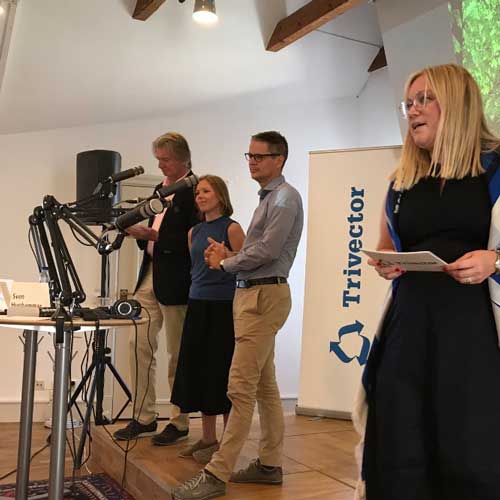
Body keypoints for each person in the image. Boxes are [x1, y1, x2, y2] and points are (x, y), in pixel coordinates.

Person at [353, 64, 500, 500]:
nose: (413, 110)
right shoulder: (402, 180)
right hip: (408, 329)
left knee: (470, 448)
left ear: (457, 103)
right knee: (401, 446)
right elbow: (386, 245)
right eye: (408, 103)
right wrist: (385, 263)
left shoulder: (494, 169)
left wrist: (493, 260)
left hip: (473, 334)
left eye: (424, 99)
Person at [172, 131, 304, 500]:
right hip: (254, 294)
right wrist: (227, 259)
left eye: (259, 156)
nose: (252, 162)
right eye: (250, 156)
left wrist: (226, 262)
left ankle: (216, 474)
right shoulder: (269, 199)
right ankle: (269, 465)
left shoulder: (284, 198)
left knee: (239, 388)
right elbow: (259, 252)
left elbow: (267, 251)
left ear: (279, 159)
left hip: (263, 296)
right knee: (264, 387)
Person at [113, 132, 199, 445]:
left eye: (166, 160)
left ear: (184, 160)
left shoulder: (195, 191)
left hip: (177, 281)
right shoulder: (158, 190)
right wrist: (142, 235)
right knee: (138, 345)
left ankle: (179, 421)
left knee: (177, 354)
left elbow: (196, 239)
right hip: (150, 274)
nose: (160, 165)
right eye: (159, 159)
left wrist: (154, 237)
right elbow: (154, 231)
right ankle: (144, 416)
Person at [171, 175, 245, 464]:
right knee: (200, 370)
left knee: (221, 371)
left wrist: (226, 257)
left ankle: (228, 442)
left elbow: (245, 266)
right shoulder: (194, 231)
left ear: (220, 196)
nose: (200, 196)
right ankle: (207, 437)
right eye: (198, 192)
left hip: (223, 307)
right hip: (197, 304)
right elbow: (195, 269)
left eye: (206, 191)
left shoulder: (232, 228)